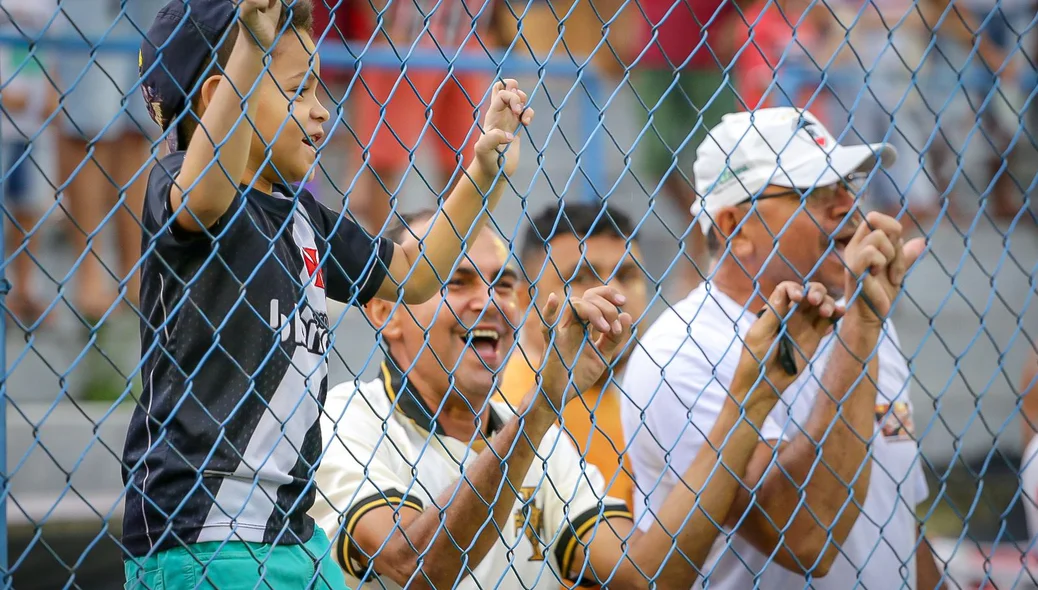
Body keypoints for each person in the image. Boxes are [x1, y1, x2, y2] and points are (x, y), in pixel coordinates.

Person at [122, 0, 534, 586]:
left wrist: (482, 172)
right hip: (203, 535)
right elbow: (205, 194)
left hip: (292, 532)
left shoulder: (302, 218)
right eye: (298, 91)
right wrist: (251, 47)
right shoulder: (186, 187)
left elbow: (413, 274)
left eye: (320, 90)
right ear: (220, 95)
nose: (323, 113)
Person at [311, 209, 844, 588]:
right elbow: (417, 568)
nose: (489, 302)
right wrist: (542, 406)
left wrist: (748, 402)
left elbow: (647, 575)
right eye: (457, 281)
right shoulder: (348, 416)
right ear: (385, 313)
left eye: (503, 285)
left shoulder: (545, 442)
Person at [622, 107, 948, 589]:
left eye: (847, 183)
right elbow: (806, 538)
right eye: (813, 191)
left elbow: (896, 517)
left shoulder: (863, 313)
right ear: (734, 226)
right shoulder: (678, 353)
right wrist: (860, 328)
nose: (847, 207)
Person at [499, 202, 649, 511]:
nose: (613, 294)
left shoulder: (636, 396)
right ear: (527, 299)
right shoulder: (507, 408)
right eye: (581, 276)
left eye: (627, 274)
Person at [348, 0, 514, 232]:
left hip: (470, 34)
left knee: (463, 158)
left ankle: (452, 243)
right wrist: (383, 23)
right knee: (386, 154)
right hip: (412, 31)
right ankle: (380, 244)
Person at [628, 0, 740, 297]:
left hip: (711, 55)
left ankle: (706, 243)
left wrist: (737, 21)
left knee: (718, 157)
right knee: (655, 156)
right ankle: (697, 223)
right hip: (655, 52)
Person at [1, 0, 58, 327]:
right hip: (5, 117)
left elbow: (54, 45)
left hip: (34, 121)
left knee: (28, 211)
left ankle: (24, 290)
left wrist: (52, 91)